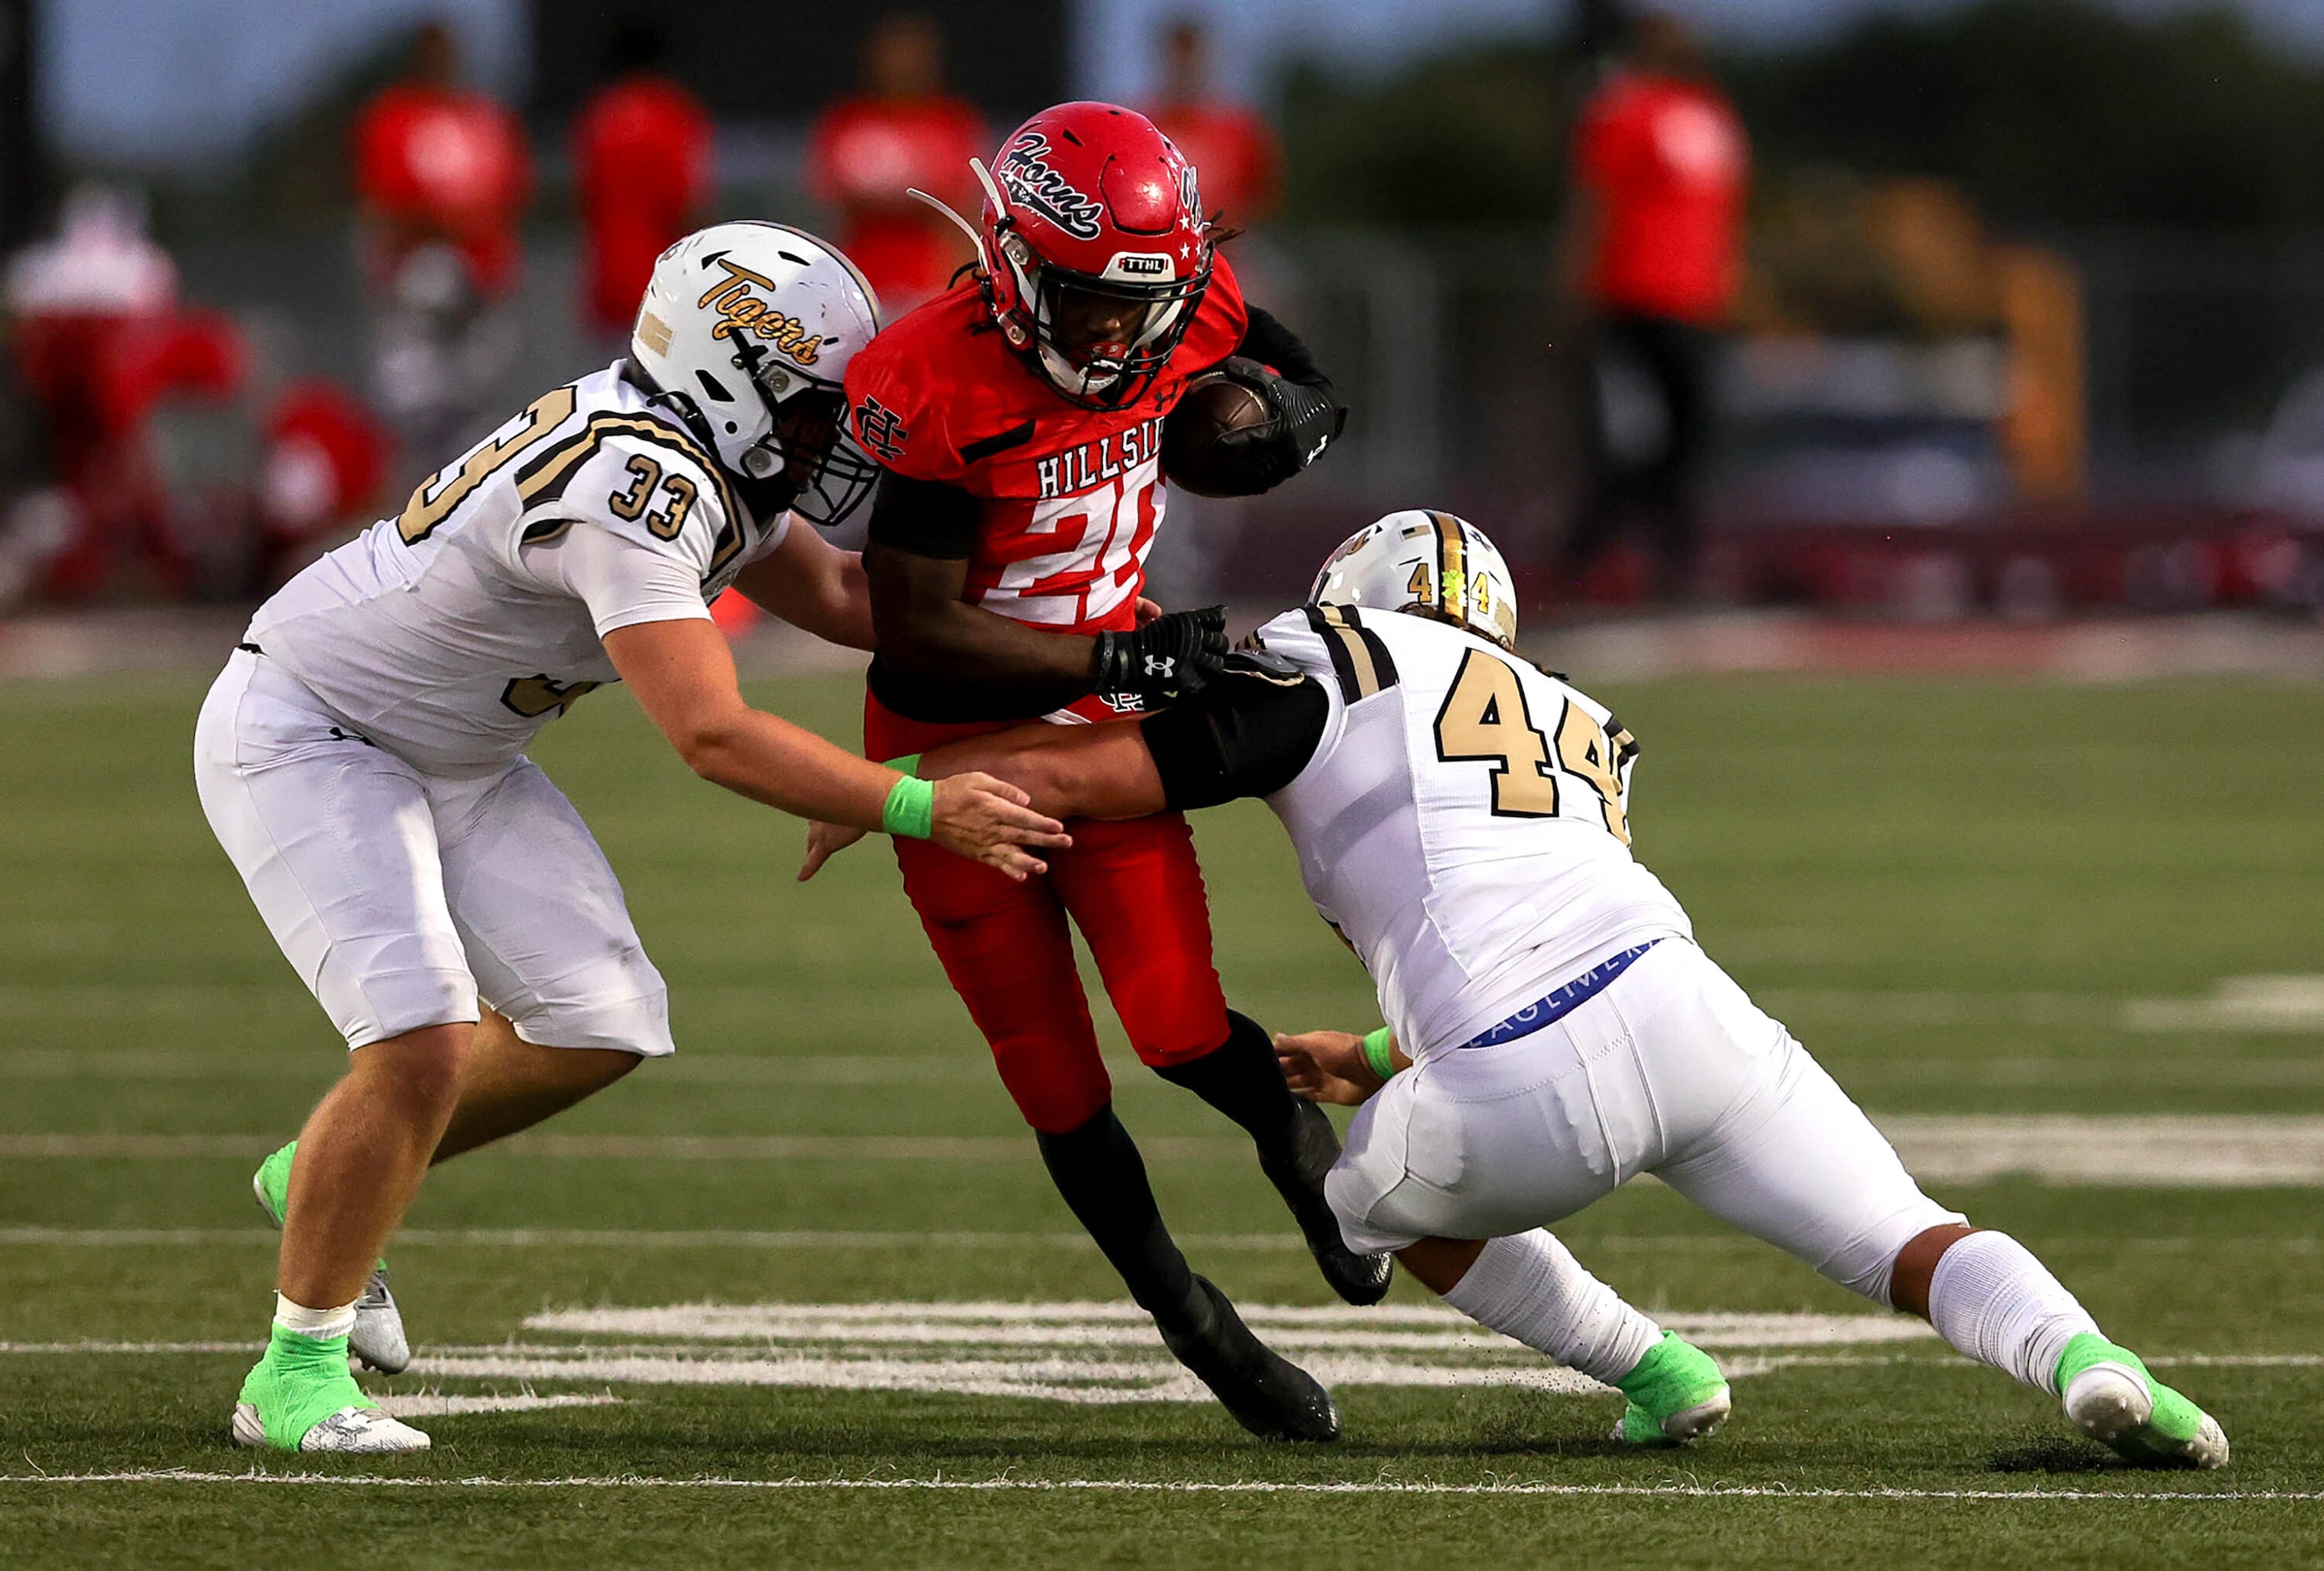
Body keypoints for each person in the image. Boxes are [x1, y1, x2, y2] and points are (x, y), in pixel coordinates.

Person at [832, 509, 2231, 1470]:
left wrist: (888, 786)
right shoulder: (1578, 714)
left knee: (1356, 1204)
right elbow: (1548, 919)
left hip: (1509, 1080)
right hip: (1689, 1013)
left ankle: (1653, 1370)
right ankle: (2096, 1366)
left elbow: (1094, 777)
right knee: (1910, 1239)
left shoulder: (1329, 654)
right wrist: (1382, 1045)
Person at [199, 223, 1066, 1455]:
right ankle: (290, 1377)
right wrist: (916, 804)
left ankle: (317, 1175)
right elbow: (709, 732)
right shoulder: (638, 479)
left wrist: (1054, 608)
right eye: (813, 407)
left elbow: (835, 598)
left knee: (599, 1016)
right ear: (731, 369)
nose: (827, 437)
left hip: (452, 748)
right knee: (421, 1043)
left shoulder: (695, 452)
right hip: (313, 729)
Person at [835, 102, 1353, 1441]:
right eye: (1085, 300)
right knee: (1052, 1075)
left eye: (1143, 306)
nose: (1118, 338)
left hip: (1105, 728)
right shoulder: (935, 375)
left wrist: (1263, 415)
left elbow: (1300, 387)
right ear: (1012, 263)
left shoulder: (1181, 299)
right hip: (952, 748)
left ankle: (1289, 1141)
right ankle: (1195, 1322)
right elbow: (921, 634)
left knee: (1178, 1025)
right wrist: (1112, 662)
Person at [1555, 13, 1748, 601]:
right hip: (1631, 299)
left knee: (1690, 441)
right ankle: (1586, 559)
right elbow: (1594, 204)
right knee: (1626, 440)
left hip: (1697, 306)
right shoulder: (1623, 110)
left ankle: (1667, 558)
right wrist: (1574, 287)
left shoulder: (1713, 115)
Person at [351, 21, 533, 463]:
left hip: (483, 281)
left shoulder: (485, 119)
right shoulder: (395, 119)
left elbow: (511, 197)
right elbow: (386, 207)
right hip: (421, 276)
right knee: (420, 403)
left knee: (484, 406)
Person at [804, 13, 986, 317]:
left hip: (931, 281)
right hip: (860, 279)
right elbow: (832, 199)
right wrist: (910, 196)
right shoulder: (847, 119)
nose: (902, 66)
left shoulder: (952, 120)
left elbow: (960, 206)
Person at [574, 20, 715, 346]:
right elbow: (688, 204)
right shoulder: (671, 113)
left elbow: (584, 198)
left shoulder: (600, 115)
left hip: (607, 283)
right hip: (664, 287)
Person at [1142, 18, 1280, 229]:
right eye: (1178, 54)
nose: (1184, 65)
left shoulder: (1238, 129)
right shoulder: (1142, 125)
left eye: (1191, 55)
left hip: (1221, 253)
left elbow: (1262, 200)